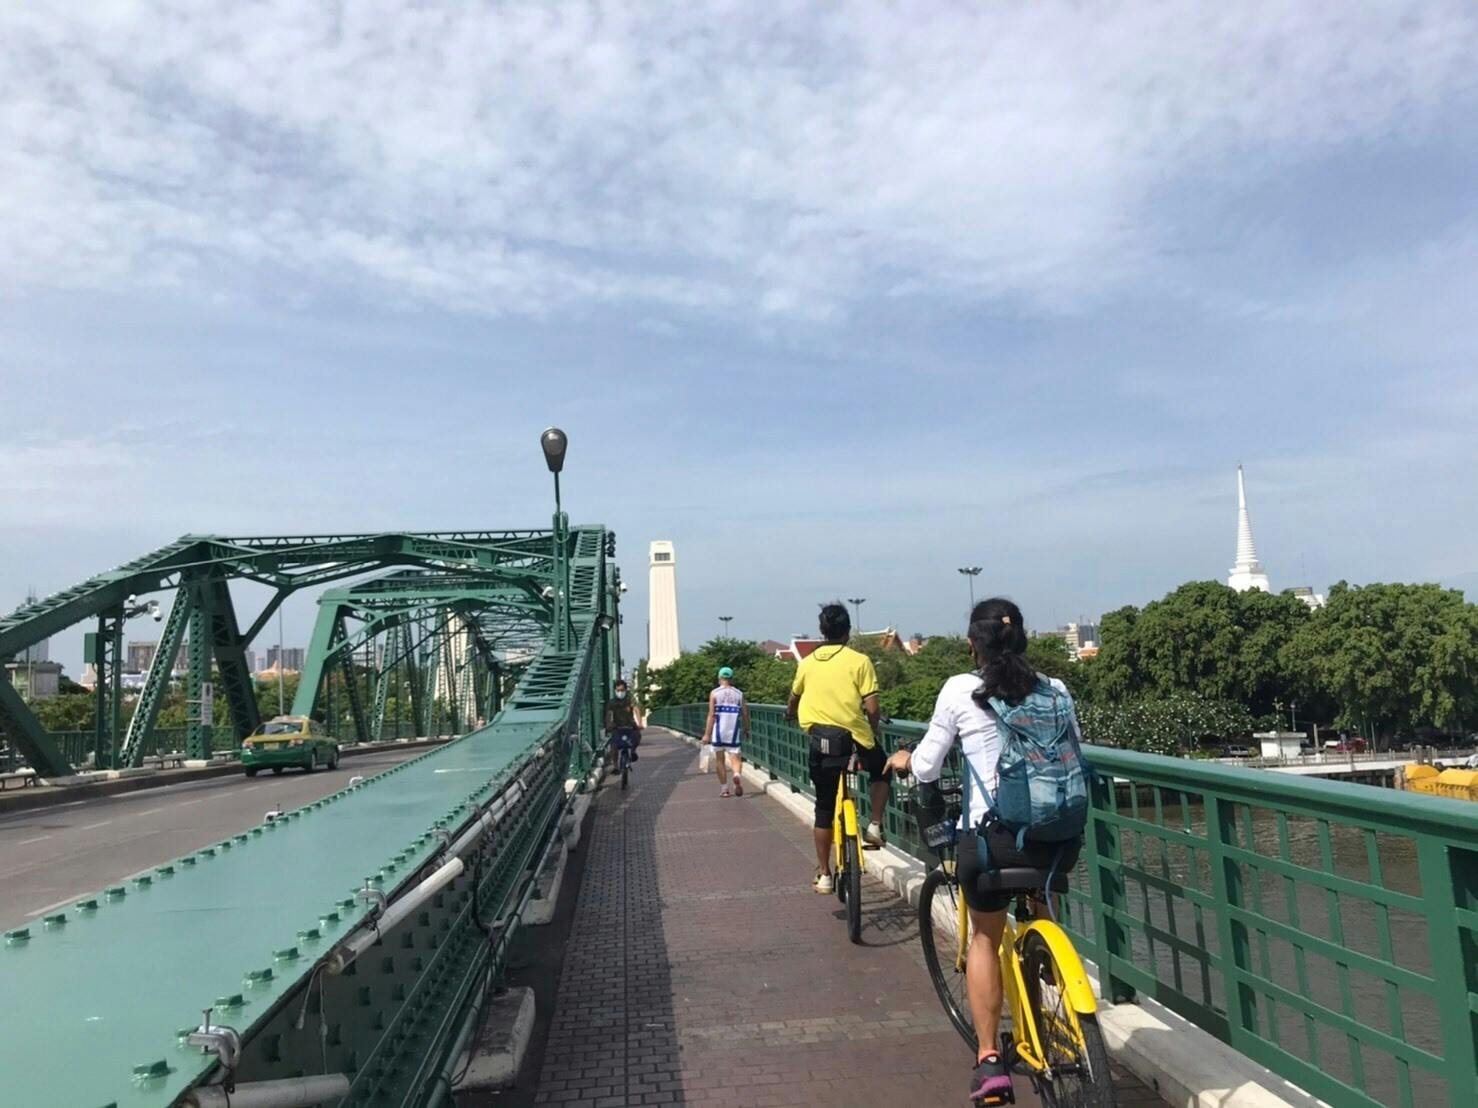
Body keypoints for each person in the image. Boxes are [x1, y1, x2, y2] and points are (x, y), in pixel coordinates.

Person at [885, 598, 1084, 1106]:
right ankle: (1054, 997)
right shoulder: (1056, 689)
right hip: (1058, 840)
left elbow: (928, 767)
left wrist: (906, 759)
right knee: (1041, 906)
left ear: (973, 645)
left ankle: (990, 1059)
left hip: (991, 842)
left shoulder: (958, 689)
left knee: (984, 938)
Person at [785, 602, 889, 895]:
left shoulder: (807, 662)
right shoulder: (859, 661)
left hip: (820, 741)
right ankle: (876, 825)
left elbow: (793, 698)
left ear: (822, 630)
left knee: (823, 807)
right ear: (848, 632)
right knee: (882, 770)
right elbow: (871, 706)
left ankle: (824, 873)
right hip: (855, 738)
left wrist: (791, 713)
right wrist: (874, 727)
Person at [702, 666, 750, 797]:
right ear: (731, 678)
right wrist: (747, 728)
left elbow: (711, 714)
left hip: (718, 731)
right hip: (733, 731)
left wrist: (707, 734)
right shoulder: (739, 694)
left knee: (720, 760)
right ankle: (736, 775)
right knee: (735, 758)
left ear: (720, 678)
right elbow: (745, 713)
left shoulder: (715, 693)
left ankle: (724, 789)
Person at [604, 679, 641, 771]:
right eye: (618, 690)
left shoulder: (629, 699)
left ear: (625, 690)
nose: (620, 692)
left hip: (630, 725)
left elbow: (636, 710)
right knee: (614, 745)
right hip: (617, 726)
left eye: (622, 690)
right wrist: (609, 724)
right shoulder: (612, 702)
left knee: (637, 736)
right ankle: (615, 766)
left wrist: (640, 723)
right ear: (615, 690)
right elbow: (609, 714)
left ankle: (633, 751)